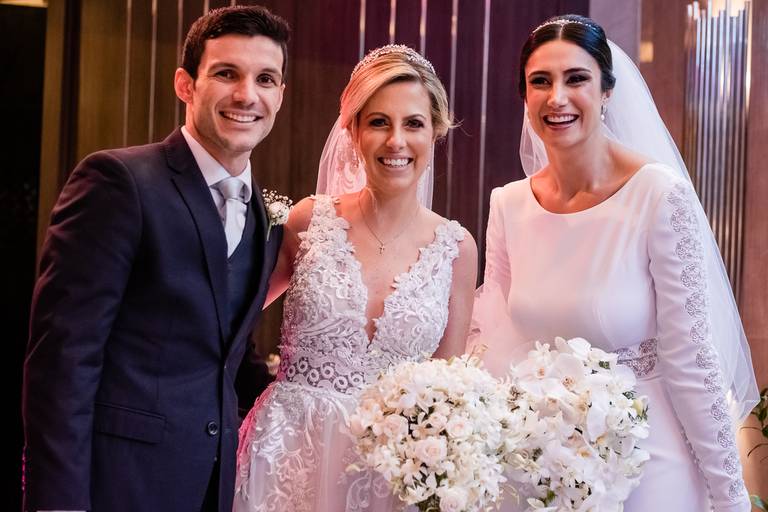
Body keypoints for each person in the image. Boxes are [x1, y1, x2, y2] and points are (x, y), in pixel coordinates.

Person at [470, 14, 759, 512]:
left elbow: (692, 357)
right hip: (540, 466)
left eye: (576, 79)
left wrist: (730, 496)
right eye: (541, 82)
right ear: (524, 96)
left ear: (606, 91)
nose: (557, 98)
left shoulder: (658, 194)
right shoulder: (508, 204)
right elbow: (492, 339)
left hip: (648, 461)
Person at [21, 6, 290, 511]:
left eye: (265, 79)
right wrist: (58, 503)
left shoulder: (265, 215)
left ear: (280, 95)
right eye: (226, 73)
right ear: (185, 84)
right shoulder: (118, 181)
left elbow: (227, 354)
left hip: (212, 488)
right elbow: (63, 360)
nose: (246, 95)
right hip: (115, 485)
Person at [233, 44, 478, 511]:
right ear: (353, 130)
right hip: (286, 458)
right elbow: (231, 317)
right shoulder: (309, 221)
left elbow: (450, 388)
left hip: (391, 473)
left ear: (436, 132)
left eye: (413, 124)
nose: (396, 141)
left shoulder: (457, 249)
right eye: (379, 122)